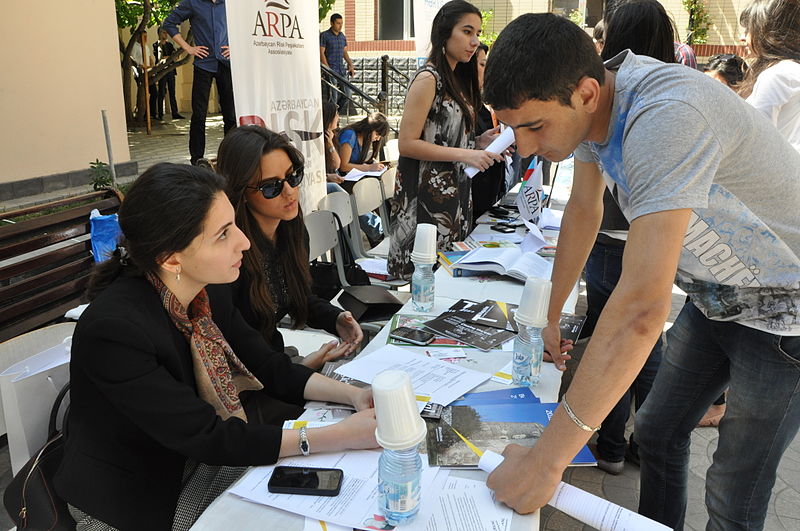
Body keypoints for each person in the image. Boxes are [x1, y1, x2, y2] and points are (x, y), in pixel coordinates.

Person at [482, 13, 800, 530]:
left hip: (787, 310)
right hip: (718, 297)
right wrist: (550, 313)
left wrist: (547, 461)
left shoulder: (665, 115)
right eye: (513, 128)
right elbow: (584, 212)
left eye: (534, 126)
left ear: (586, 93)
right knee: (655, 432)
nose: (522, 146)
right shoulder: (592, 107)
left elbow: (641, 310)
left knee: (733, 489)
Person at [54, 163, 378, 530]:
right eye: (223, 234)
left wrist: (352, 397)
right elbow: (208, 437)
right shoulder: (115, 331)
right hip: (135, 499)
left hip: (193, 461)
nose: (245, 241)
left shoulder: (204, 293)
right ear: (171, 257)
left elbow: (267, 365)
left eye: (234, 225)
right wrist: (340, 435)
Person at [576, 0, 675, 475]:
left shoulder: (629, 98)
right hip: (650, 243)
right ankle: (630, 444)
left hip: (616, 240)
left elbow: (585, 204)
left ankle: (614, 446)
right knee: (640, 344)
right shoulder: (666, 90)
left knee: (616, 340)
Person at [216, 126, 364, 371]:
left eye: (293, 176)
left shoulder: (292, 232)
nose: (289, 191)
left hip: (276, 363)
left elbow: (296, 294)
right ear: (241, 192)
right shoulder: (230, 257)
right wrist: (301, 367)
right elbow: (234, 345)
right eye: (271, 186)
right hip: (243, 378)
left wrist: (335, 318)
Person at [387, 0, 503, 280]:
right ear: (444, 31)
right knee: (425, 279)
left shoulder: (455, 80)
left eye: (476, 33)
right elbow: (407, 143)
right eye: (467, 31)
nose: (474, 41)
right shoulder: (429, 79)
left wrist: (477, 143)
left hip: (454, 197)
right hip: (426, 199)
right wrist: (465, 155)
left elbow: (443, 139)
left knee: (447, 278)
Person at [163, 0, 236, 166]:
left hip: (226, 64)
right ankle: (196, 160)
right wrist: (188, 48)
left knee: (230, 115)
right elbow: (169, 23)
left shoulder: (231, 4)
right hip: (203, 64)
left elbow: (244, 25)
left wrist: (236, 46)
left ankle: (230, 158)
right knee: (199, 115)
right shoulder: (192, 3)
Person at [739, 0, 800, 152]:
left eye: (748, 30)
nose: (742, 37)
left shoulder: (777, 75)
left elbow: (755, 140)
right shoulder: (791, 70)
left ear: (766, 32)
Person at [334, 112, 387, 246]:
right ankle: (379, 232)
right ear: (370, 129)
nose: (377, 138)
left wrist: (372, 165)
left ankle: (381, 232)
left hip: (355, 180)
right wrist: (369, 168)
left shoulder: (365, 139)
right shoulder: (350, 135)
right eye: (377, 134)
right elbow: (344, 166)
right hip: (343, 181)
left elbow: (359, 163)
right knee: (368, 196)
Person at [471, 43, 508, 221]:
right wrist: (478, 143)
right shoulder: (460, 104)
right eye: (482, 64)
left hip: (490, 193)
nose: (487, 71)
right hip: (470, 197)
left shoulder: (483, 99)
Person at [320, 13, 355, 112]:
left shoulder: (342, 36)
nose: (340, 26)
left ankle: (335, 114)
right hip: (331, 69)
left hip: (341, 70)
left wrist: (350, 64)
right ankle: (332, 119)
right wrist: (327, 69)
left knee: (347, 94)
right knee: (333, 96)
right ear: (332, 23)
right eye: (338, 23)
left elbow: (344, 52)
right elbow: (321, 53)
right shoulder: (324, 36)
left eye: (341, 23)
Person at [153, 27, 185, 121]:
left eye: (166, 33)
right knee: (161, 92)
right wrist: (168, 58)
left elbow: (175, 58)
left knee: (172, 92)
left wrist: (173, 56)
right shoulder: (156, 45)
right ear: (159, 33)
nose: (165, 35)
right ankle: (160, 114)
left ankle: (175, 113)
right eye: (163, 33)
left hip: (170, 70)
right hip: (162, 71)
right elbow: (159, 58)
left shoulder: (170, 45)